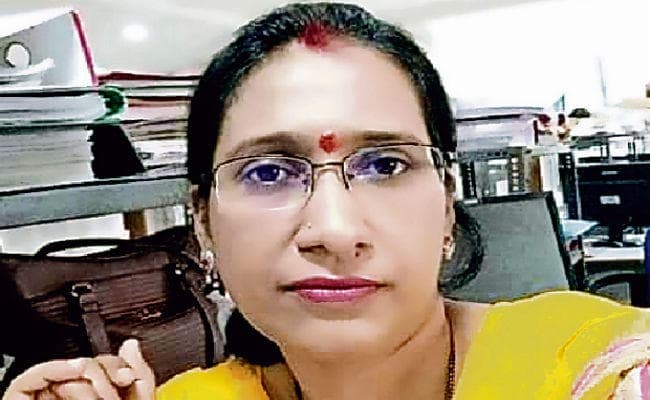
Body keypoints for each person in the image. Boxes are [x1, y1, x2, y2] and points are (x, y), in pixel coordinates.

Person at [4, 2, 650, 399]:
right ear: (202, 223)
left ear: (448, 205)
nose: (335, 230)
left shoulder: (581, 361)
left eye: (386, 165)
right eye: (267, 172)